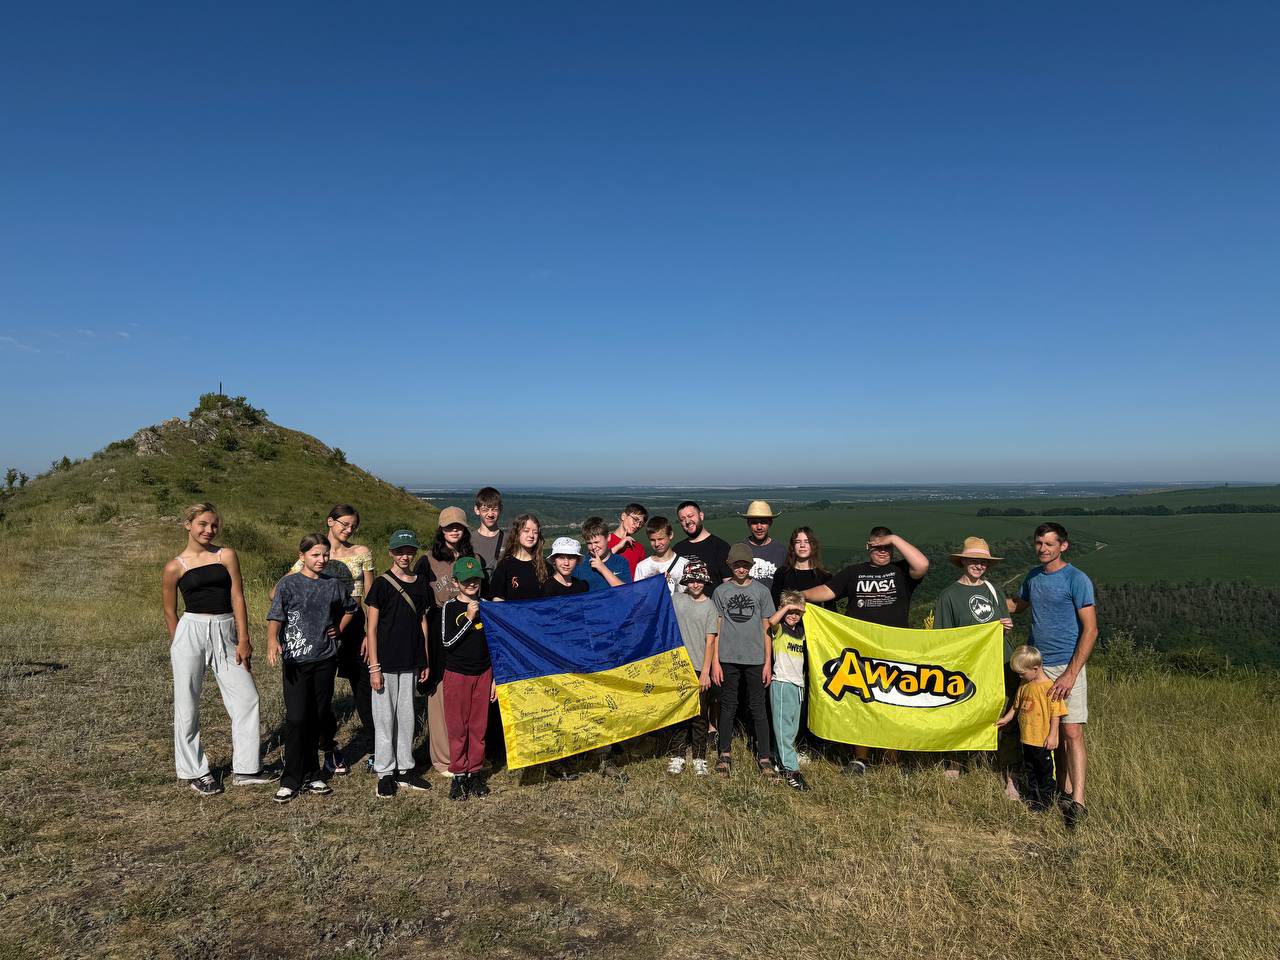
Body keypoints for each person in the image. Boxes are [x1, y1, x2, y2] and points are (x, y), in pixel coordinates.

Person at [161, 503, 273, 796]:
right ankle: (195, 771)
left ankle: (247, 769)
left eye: (214, 525)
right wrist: (178, 643)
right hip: (191, 631)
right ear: (188, 525)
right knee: (187, 702)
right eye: (202, 524)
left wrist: (244, 638)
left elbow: (237, 596)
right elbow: (170, 611)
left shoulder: (226, 555)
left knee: (247, 698)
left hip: (226, 630)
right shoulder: (175, 566)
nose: (209, 530)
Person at [803, 526, 929, 774]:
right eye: (877, 547)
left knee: (893, 703)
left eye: (887, 547)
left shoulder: (901, 571)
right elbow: (828, 591)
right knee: (862, 703)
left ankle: (892, 758)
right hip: (860, 652)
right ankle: (860, 759)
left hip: (894, 651)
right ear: (868, 546)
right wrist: (801, 595)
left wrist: (894, 538)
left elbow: (922, 565)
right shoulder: (854, 572)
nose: (882, 551)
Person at [1007, 522, 1097, 827]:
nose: (1043, 549)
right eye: (1038, 543)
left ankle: (1078, 801)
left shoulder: (1076, 579)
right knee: (1047, 735)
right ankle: (1059, 790)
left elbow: (1091, 630)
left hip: (1067, 665)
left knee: (1071, 732)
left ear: (1063, 546)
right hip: (1038, 668)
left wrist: (1071, 674)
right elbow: (1017, 605)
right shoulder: (1033, 577)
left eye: (1049, 544)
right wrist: (983, 602)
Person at [267, 533, 358, 803]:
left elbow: (351, 608)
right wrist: (272, 640)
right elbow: (276, 614)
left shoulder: (333, 585)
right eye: (315, 554)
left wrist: (338, 628)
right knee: (297, 719)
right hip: (296, 661)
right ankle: (290, 780)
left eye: (325, 555)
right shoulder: (289, 584)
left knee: (317, 717)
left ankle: (313, 775)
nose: (321, 559)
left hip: (325, 659)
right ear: (302, 556)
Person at [283, 504, 374, 776]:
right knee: (320, 692)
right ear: (330, 522)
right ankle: (328, 746)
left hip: (353, 623)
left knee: (364, 685)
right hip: (320, 627)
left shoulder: (361, 552)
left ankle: (375, 745)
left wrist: (370, 634)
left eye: (353, 526)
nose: (349, 529)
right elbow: (281, 589)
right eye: (344, 524)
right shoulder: (316, 552)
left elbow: (371, 597)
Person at [933, 537, 1016, 787]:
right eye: (973, 560)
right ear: (963, 561)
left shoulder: (994, 590)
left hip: (1000, 661)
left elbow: (1004, 627)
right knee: (962, 711)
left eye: (984, 562)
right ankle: (956, 761)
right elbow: (942, 638)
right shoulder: (948, 596)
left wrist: (1006, 627)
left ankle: (1009, 769)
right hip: (968, 666)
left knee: (1006, 714)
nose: (979, 566)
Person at [364, 529, 433, 799]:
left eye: (409, 551)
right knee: (384, 718)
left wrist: (424, 658)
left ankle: (404, 768)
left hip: (410, 660)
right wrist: (374, 667)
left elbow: (422, 621)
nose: (405, 556)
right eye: (400, 552)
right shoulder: (381, 584)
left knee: (406, 716)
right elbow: (371, 628)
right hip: (385, 662)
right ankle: (384, 772)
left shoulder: (421, 583)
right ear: (391, 552)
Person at [416, 505, 480, 776]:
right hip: (438, 629)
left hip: (470, 630)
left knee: (466, 698)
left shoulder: (473, 558)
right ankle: (443, 758)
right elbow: (420, 603)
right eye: (449, 527)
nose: (454, 530)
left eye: (458, 526)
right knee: (440, 695)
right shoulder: (428, 561)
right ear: (441, 530)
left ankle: (467, 755)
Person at [713, 543, 777, 779]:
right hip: (727, 657)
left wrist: (768, 663)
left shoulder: (761, 591)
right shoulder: (721, 592)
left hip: (756, 658)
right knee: (728, 706)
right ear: (730, 565)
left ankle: (764, 756)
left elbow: (767, 629)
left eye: (745, 565)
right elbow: (716, 628)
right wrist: (715, 662)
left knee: (758, 707)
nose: (741, 569)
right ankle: (724, 754)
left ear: (751, 566)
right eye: (737, 565)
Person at [439, 557, 496, 800]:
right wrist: (469, 618)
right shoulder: (449, 607)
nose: (472, 584)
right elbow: (447, 642)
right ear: (455, 582)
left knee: (478, 727)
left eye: (476, 580)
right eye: (466, 580)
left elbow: (495, 645)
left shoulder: (487, 606)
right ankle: (459, 775)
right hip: (457, 674)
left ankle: (474, 772)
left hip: (483, 674)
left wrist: (494, 679)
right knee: (457, 727)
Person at [996, 645, 1067, 814]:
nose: (1020, 676)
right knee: (1030, 771)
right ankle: (1033, 798)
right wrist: (1007, 718)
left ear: (1035, 669)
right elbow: (1016, 706)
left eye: (1022, 673)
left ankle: (1045, 803)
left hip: (1042, 741)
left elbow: (1056, 714)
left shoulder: (1049, 688)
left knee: (1044, 773)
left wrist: (1053, 735)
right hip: (1026, 739)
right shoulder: (1024, 685)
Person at [665, 559, 719, 776]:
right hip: (678, 666)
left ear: (705, 582)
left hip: (698, 666)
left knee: (700, 715)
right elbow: (658, 605)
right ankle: (678, 755)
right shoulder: (677, 599)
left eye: (699, 580)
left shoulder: (710, 606)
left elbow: (710, 641)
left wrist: (706, 672)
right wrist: (661, 584)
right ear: (685, 581)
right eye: (691, 580)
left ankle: (699, 757)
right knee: (680, 713)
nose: (695, 584)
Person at [767, 590, 809, 791]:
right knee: (783, 730)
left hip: (798, 685)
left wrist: (801, 609)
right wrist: (788, 607)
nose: (793, 616)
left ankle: (778, 761)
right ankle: (792, 771)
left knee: (790, 730)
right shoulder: (780, 629)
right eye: (790, 612)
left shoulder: (801, 633)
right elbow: (770, 621)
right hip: (782, 683)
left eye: (797, 613)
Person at [770, 527, 832, 609]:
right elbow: (774, 603)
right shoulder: (782, 573)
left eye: (807, 542)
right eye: (798, 542)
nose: (802, 545)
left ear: (813, 545)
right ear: (792, 546)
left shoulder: (824, 576)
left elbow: (831, 610)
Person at [673, 500, 732, 587]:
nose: (687, 521)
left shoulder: (721, 547)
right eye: (682, 519)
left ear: (701, 516)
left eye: (690, 516)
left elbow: (729, 585)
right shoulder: (677, 549)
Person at [490, 514, 548, 600]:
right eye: (526, 531)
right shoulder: (505, 565)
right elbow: (497, 598)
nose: (531, 535)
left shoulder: (544, 565)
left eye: (535, 532)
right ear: (517, 533)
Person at [738, 500, 786, 592]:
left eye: (763, 522)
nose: (759, 527)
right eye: (754, 522)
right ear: (748, 523)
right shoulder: (739, 549)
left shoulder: (782, 551)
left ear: (770, 523)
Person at [633, 516, 688, 595]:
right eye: (652, 540)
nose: (657, 544)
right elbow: (639, 596)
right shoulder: (642, 567)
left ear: (670, 535)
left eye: (660, 539)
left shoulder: (685, 565)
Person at [575, 516, 632, 591]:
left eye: (596, 542)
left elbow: (627, 591)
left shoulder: (621, 562)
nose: (593, 547)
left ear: (608, 537)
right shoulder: (580, 564)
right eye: (589, 543)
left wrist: (602, 568)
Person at [608, 503, 649, 576]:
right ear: (623, 516)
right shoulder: (604, 541)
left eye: (641, 524)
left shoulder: (639, 548)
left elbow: (644, 575)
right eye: (635, 519)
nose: (637, 525)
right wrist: (618, 547)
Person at [471, 487, 505, 570]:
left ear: (501, 509)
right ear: (477, 510)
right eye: (485, 510)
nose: (490, 514)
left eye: (495, 509)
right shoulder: (468, 540)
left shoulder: (509, 540)